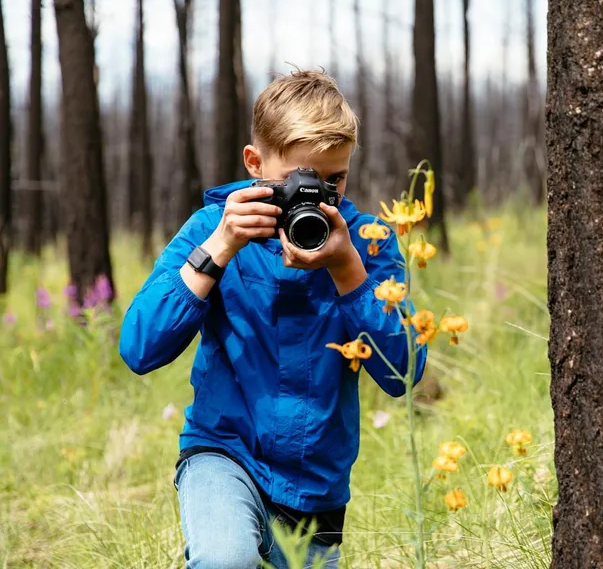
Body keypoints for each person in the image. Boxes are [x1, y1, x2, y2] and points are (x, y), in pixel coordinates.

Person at [119, 69, 426, 569]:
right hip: (223, 450)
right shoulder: (212, 228)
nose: (317, 197)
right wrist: (221, 247)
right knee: (225, 560)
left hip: (315, 487)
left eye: (334, 180)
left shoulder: (367, 243)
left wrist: (348, 270)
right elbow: (139, 347)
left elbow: (405, 374)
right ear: (255, 162)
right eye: (298, 181)